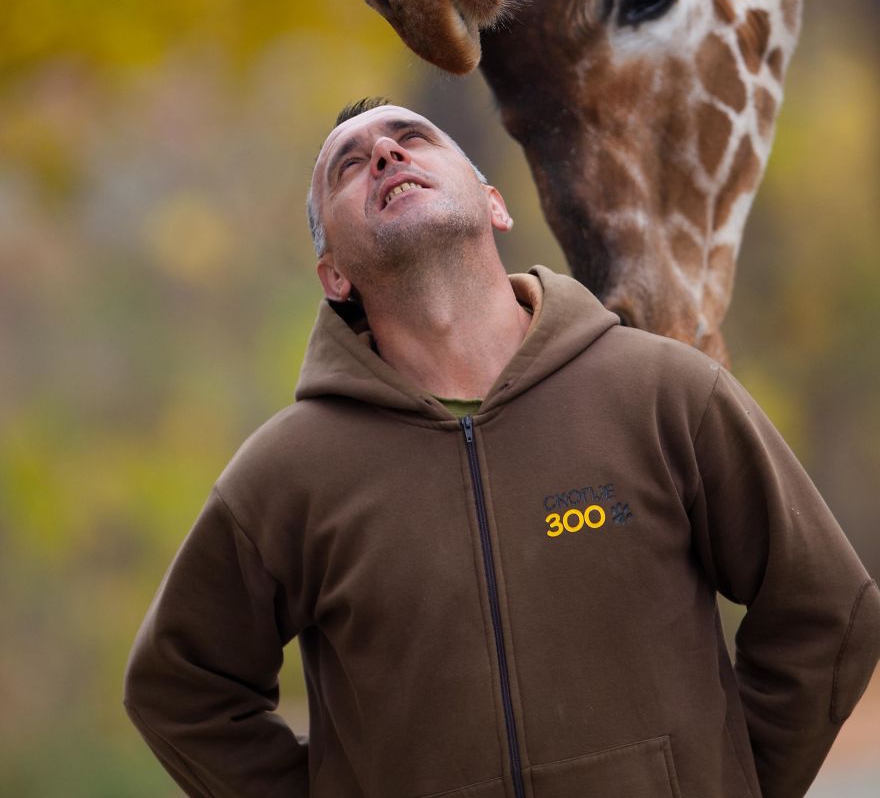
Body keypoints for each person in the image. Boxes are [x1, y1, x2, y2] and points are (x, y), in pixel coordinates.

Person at [124, 98, 880, 798]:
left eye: (412, 138)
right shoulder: (285, 476)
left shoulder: (665, 393)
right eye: (348, 165)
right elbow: (179, 688)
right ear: (335, 276)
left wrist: (731, 780)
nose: (385, 153)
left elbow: (826, 608)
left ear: (494, 204)